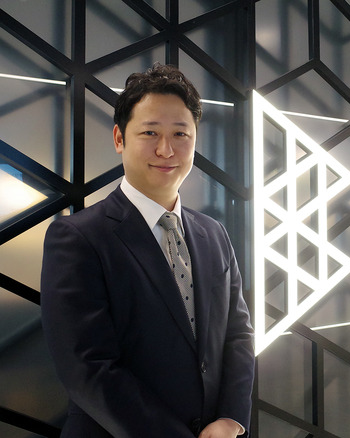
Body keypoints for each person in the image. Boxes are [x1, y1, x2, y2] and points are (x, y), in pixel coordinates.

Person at [41, 63, 255, 438]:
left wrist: (231, 418)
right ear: (119, 138)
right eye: (150, 132)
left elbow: (237, 335)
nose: (165, 149)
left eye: (180, 134)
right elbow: (88, 368)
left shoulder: (213, 233)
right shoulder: (77, 238)